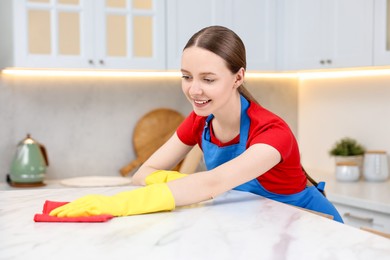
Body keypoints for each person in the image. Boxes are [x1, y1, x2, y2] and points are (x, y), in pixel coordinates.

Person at [50, 25, 343, 223]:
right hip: (257, 224)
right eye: (187, 76)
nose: (194, 90)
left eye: (208, 79)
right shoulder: (200, 122)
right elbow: (143, 174)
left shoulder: (271, 132)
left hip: (308, 226)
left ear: (238, 77)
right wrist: (182, 184)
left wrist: (121, 205)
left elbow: (214, 183)